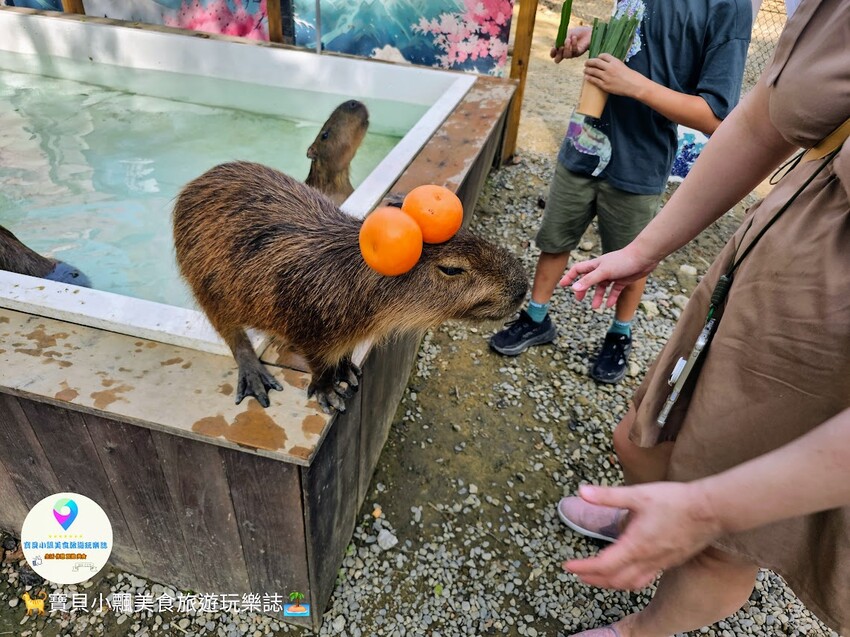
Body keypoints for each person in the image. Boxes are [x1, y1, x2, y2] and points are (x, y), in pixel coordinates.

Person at [554, 0, 850, 634]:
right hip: (758, 274)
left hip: (827, 342)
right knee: (643, 433)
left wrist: (708, 509)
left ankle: (646, 625)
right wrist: (645, 249)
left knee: (726, 541)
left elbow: (718, 111)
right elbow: (763, 119)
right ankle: (649, 515)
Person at [489, 0, 752, 384]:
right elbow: (642, 39)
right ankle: (536, 316)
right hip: (582, 143)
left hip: (641, 161)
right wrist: (595, 38)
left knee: (633, 256)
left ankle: (620, 333)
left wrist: (635, 86)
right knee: (555, 238)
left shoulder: (728, 8)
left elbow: (715, 116)